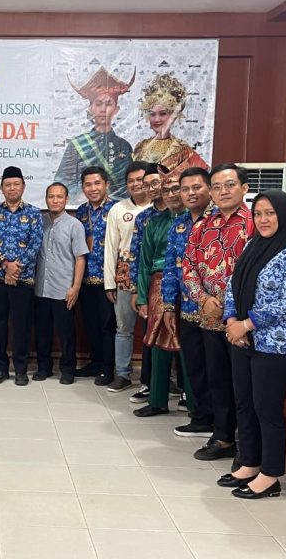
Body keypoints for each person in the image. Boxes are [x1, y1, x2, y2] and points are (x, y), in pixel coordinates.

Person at [218, 191, 286, 499]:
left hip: (277, 344)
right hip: (242, 338)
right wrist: (231, 320)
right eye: (258, 213)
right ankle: (250, 462)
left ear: (284, 215)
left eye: (270, 213)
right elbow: (233, 284)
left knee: (267, 407)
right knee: (245, 403)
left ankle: (271, 474)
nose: (263, 219)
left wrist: (246, 324)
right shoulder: (253, 244)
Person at [183, 163, 253, 462]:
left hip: (243, 322)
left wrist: (234, 309)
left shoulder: (256, 223)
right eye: (217, 187)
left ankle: (249, 446)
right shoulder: (202, 226)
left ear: (244, 188)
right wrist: (203, 299)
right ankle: (223, 437)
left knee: (244, 384)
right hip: (211, 317)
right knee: (218, 379)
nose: (223, 191)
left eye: (230, 185)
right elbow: (188, 265)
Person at [163, 167, 215, 437]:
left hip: (216, 312)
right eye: (185, 189)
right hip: (186, 308)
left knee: (216, 369)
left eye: (197, 187)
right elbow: (171, 267)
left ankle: (222, 425)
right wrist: (168, 305)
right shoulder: (179, 223)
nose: (191, 193)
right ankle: (202, 418)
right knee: (194, 366)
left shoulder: (219, 221)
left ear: (209, 189)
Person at [133, 168, 189, 417]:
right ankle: (157, 399)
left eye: (176, 188)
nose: (171, 194)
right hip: (158, 285)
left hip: (189, 286)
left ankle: (191, 400)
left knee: (187, 341)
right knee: (157, 340)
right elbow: (144, 263)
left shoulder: (197, 220)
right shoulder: (154, 223)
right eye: (166, 190)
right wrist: (142, 297)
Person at [0, 166, 43, 386]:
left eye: (16, 184)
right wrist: (5, 265)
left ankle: (21, 370)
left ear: (23, 187)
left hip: (23, 278)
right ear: (1, 188)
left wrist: (16, 268)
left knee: (21, 325)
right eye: (8, 185)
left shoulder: (34, 213)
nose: (12, 188)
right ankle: (0, 368)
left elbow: (35, 244)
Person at [54, 66, 134, 205]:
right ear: (90, 108)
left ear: (116, 109)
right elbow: (62, 181)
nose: (103, 109)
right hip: (85, 208)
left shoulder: (124, 146)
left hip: (117, 210)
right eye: (98, 104)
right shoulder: (77, 145)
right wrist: (82, 193)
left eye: (108, 104)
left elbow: (129, 184)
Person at [34, 182, 88, 384]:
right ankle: (43, 368)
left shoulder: (75, 225)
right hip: (40, 288)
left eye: (59, 196)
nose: (55, 200)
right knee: (42, 333)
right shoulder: (39, 222)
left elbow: (80, 258)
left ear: (66, 199)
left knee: (66, 334)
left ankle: (67, 370)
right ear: (46, 199)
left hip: (64, 289)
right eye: (51, 196)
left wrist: (75, 287)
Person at [103, 161, 150, 392]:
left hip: (152, 275)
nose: (136, 184)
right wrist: (109, 283)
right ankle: (122, 373)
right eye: (131, 181)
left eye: (140, 180)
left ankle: (156, 377)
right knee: (123, 327)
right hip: (125, 273)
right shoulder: (118, 209)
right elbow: (110, 247)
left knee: (154, 328)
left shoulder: (159, 207)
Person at [126, 165, 168, 403]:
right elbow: (137, 256)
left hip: (180, 284)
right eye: (147, 184)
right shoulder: (144, 218)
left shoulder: (180, 214)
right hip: (152, 284)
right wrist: (137, 291)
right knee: (150, 335)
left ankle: (182, 390)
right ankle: (148, 384)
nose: (151, 188)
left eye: (156, 183)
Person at [74, 166, 117, 385]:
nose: (93, 188)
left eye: (97, 183)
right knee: (90, 323)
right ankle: (95, 362)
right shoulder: (81, 211)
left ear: (106, 184)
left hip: (108, 280)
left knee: (108, 326)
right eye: (88, 184)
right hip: (85, 278)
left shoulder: (117, 209)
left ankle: (108, 369)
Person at [132, 73, 208, 173]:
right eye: (152, 114)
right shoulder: (140, 147)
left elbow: (201, 175)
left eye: (163, 114)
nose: (156, 119)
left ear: (173, 115)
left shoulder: (183, 150)